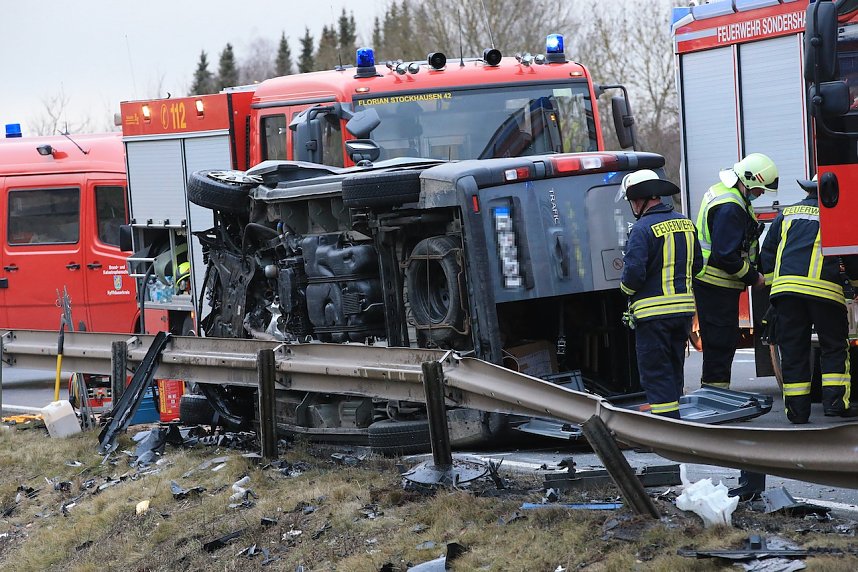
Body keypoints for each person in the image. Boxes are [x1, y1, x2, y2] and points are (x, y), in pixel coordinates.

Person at [759, 175, 858, 423]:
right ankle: (835, 404)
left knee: (793, 350)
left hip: (786, 295)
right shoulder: (837, 216)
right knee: (834, 347)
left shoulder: (787, 214)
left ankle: (797, 412)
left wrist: (774, 287)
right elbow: (852, 258)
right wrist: (855, 286)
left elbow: (767, 252)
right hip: (825, 293)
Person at [619, 170, 703, 419]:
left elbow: (633, 273)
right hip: (683, 314)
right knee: (674, 369)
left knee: (656, 373)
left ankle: (666, 430)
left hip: (653, 316)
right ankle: (676, 423)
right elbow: (697, 265)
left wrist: (625, 291)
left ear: (639, 200)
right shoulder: (686, 224)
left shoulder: (642, 229)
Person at [694, 153, 777, 390]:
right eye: (760, 189)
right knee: (720, 344)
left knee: (718, 344)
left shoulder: (725, 193)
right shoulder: (731, 207)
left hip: (714, 286)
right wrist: (753, 277)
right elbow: (725, 255)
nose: (761, 194)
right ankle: (717, 398)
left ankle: (715, 394)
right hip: (716, 286)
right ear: (749, 180)